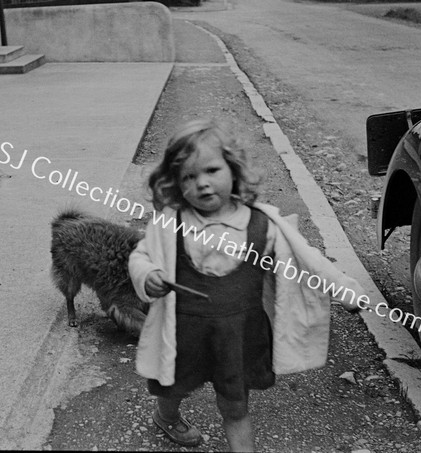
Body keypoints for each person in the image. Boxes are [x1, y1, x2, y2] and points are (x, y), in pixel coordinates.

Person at [128, 118, 363, 452]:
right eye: (189, 177)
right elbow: (142, 255)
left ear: (233, 168)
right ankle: (165, 416)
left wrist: (344, 287)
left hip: (238, 335)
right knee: (174, 386)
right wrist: (148, 275)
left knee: (235, 407)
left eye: (211, 170)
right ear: (176, 184)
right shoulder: (171, 223)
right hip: (185, 331)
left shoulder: (263, 222)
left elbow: (306, 261)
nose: (202, 184)